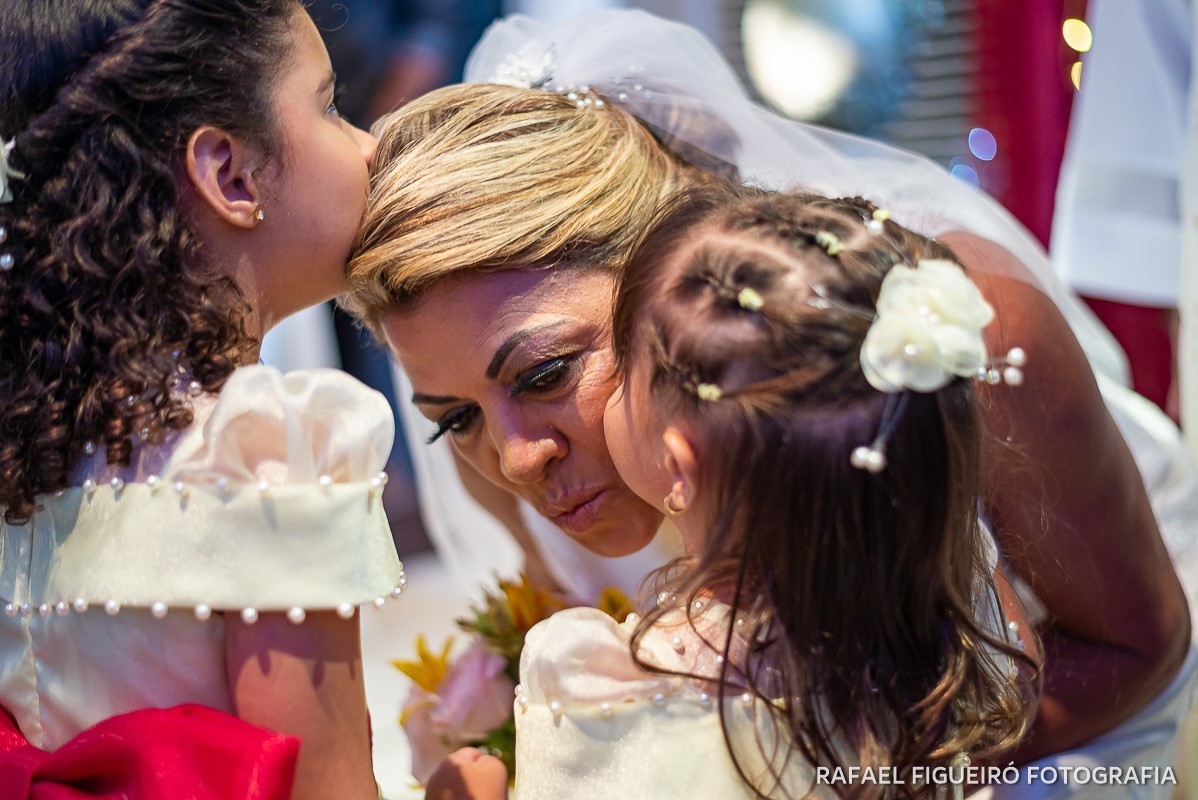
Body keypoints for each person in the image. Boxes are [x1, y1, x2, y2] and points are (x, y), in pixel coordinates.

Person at [345, 9, 1194, 786]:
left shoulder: (950, 332)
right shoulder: (498, 462)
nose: (516, 458)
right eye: (453, 418)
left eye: (544, 374)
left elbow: (1138, 646)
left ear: (662, 260)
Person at [425, 183, 1040, 799]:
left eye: (623, 378)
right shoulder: (955, 605)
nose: (514, 459)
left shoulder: (612, 681)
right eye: (455, 420)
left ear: (678, 465)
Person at [0, 2, 403, 798]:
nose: (368, 144)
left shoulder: (27, 446)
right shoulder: (262, 451)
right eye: (330, 105)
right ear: (230, 174)